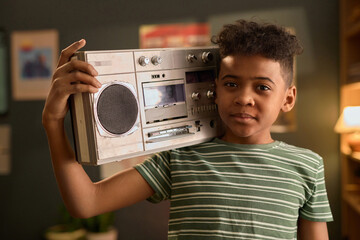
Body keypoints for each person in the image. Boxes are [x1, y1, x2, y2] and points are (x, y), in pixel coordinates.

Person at [42, 19, 333, 239]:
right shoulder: (180, 158)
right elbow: (86, 203)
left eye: (262, 87)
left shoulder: (307, 166)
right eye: (231, 84)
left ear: (288, 98)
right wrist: (53, 123)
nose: (244, 97)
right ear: (215, 90)